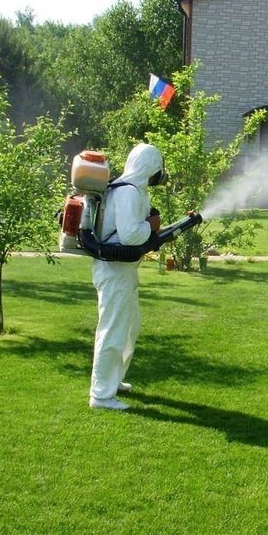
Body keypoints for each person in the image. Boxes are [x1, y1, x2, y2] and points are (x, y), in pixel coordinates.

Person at [89, 143, 166, 410]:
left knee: (129, 327)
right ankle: (101, 396)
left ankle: (114, 379)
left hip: (123, 270)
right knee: (112, 330)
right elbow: (131, 234)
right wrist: (151, 227)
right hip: (114, 271)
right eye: (159, 167)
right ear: (150, 167)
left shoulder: (133, 190)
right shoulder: (128, 193)